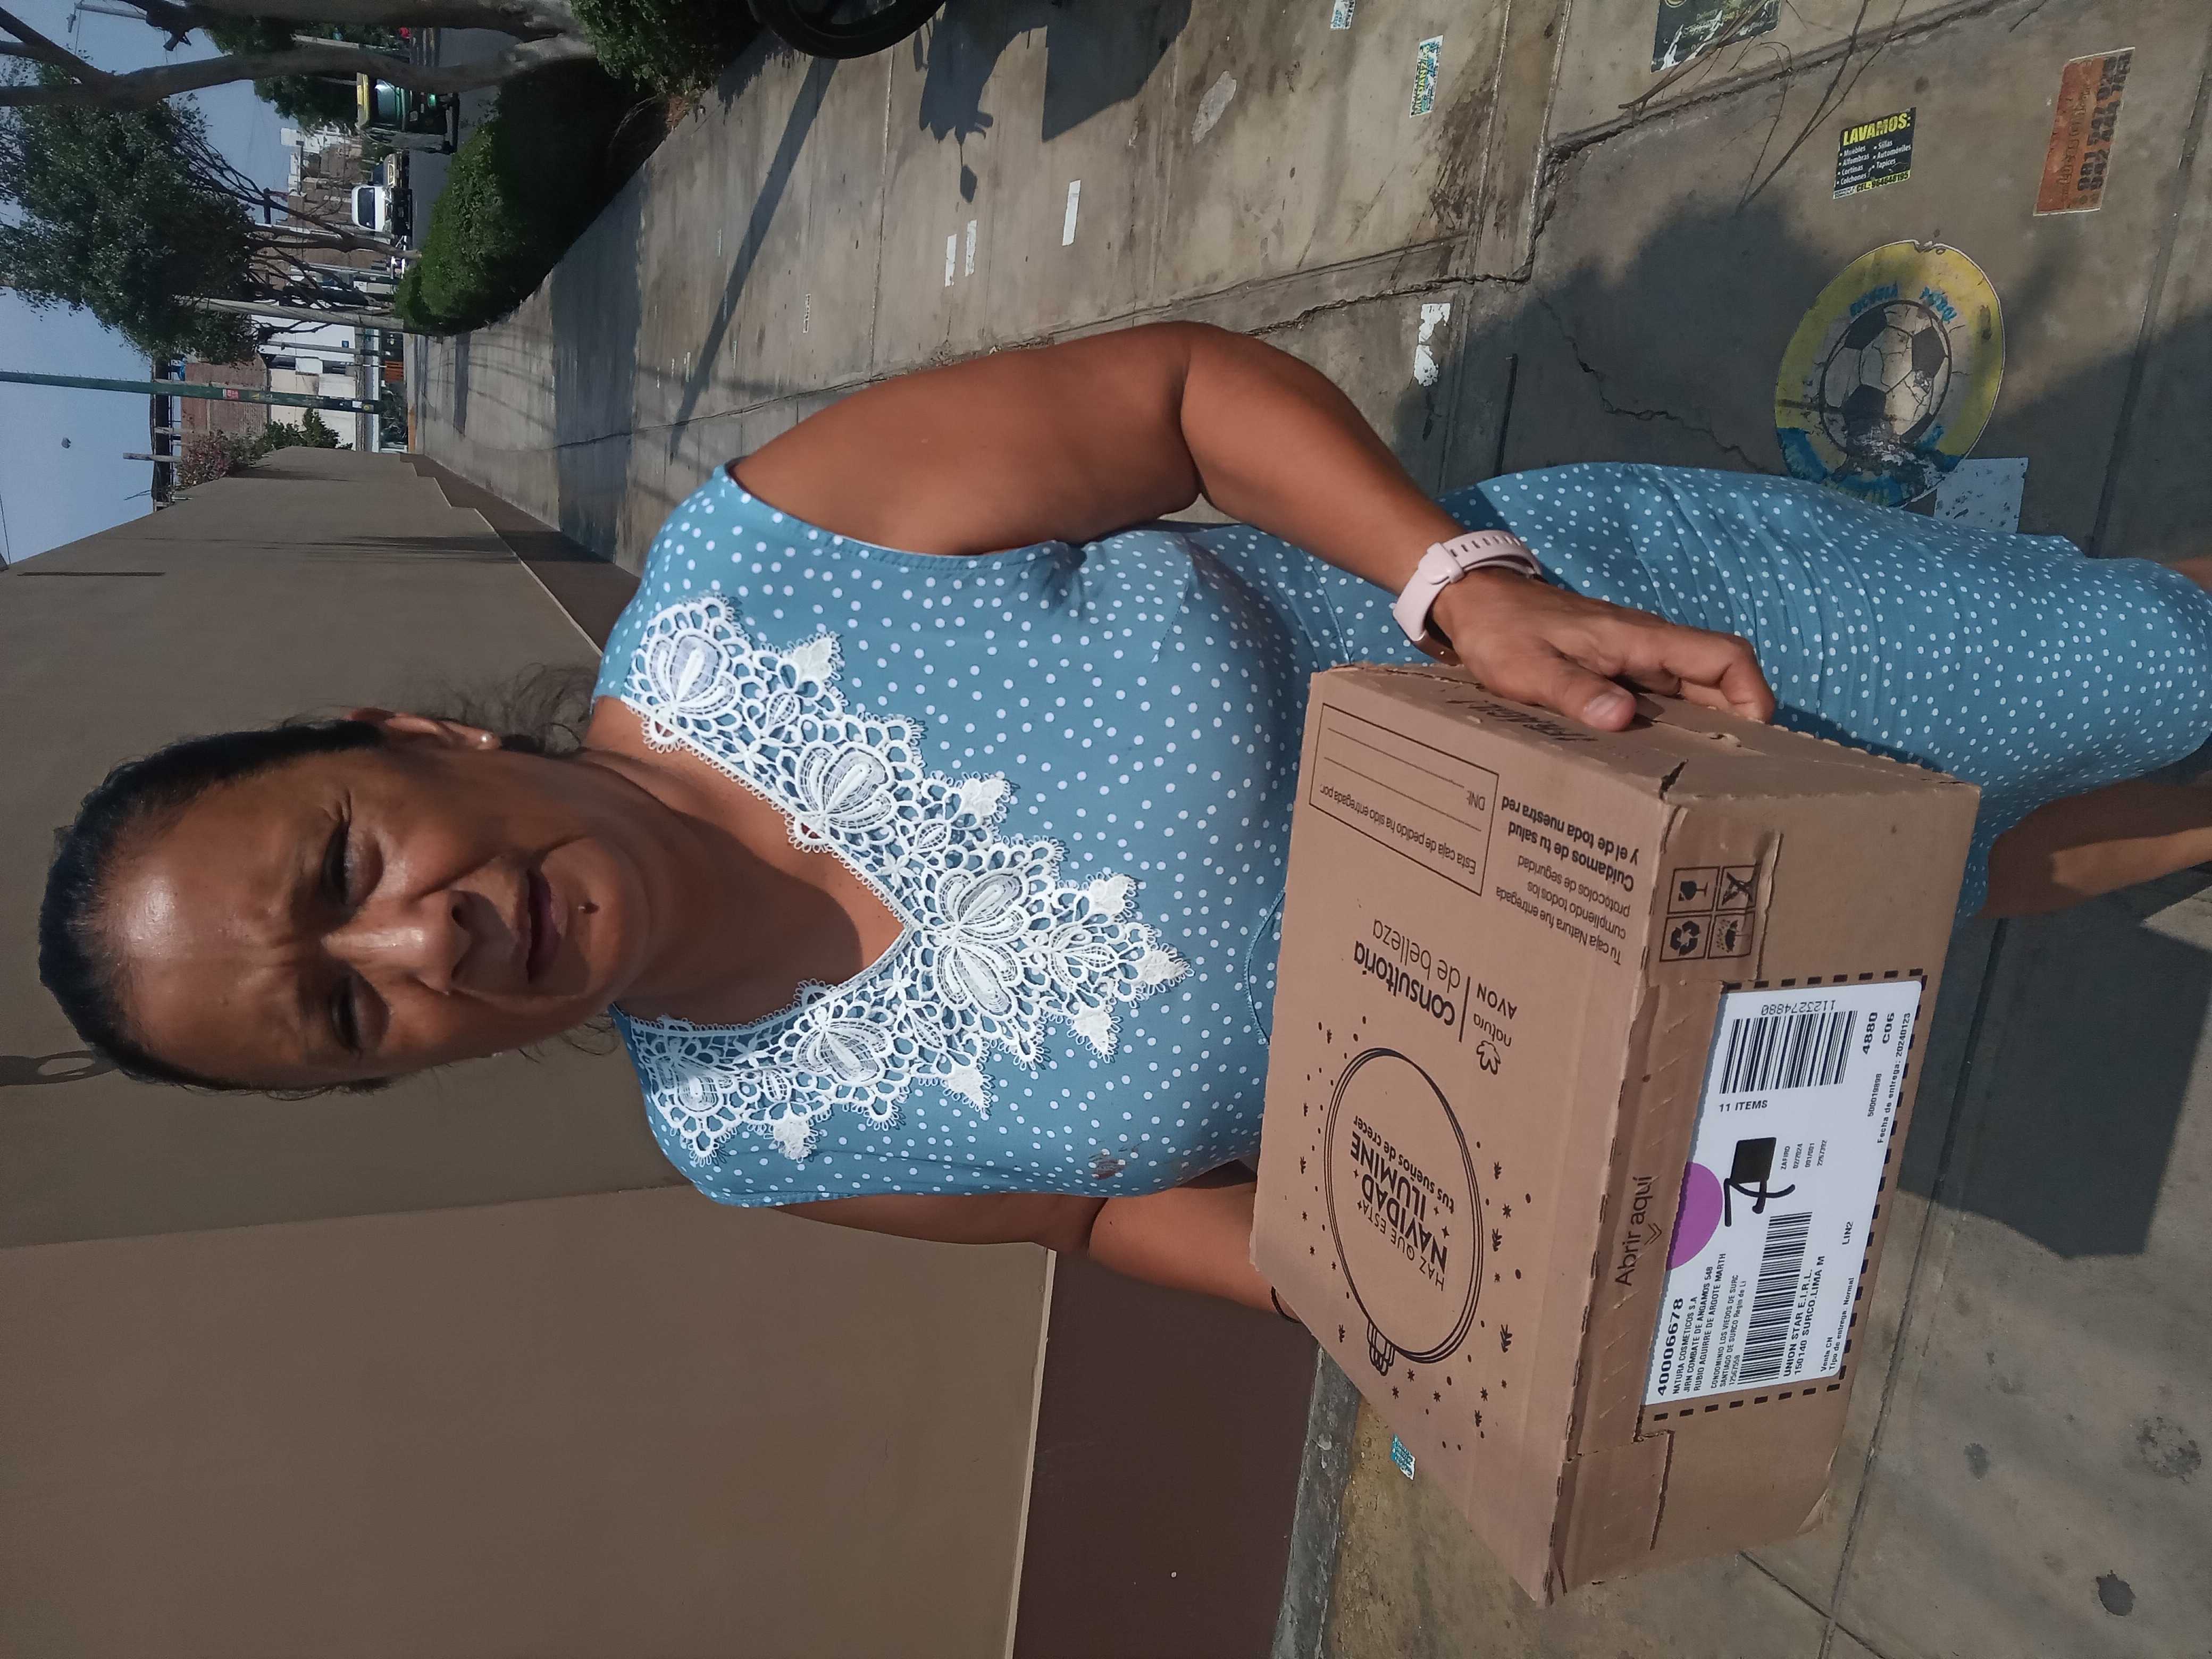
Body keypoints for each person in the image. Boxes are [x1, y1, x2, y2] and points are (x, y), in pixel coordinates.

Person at [37, 324, 2212, 1314]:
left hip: (1639, 649)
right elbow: (1099, 1221)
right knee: (1984, 869)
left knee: (2149, 667)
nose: (419, 943)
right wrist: (1417, 1285)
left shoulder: (766, 567)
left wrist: (1463, 588)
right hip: (1672, 980)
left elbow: (1177, 400)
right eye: (347, 1011)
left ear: (405, 732)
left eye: (344, 871)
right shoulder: (757, 1141)